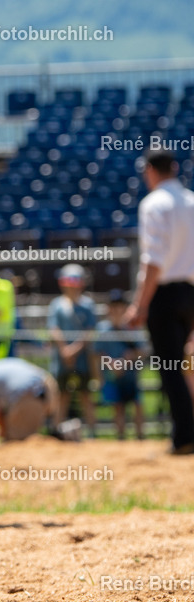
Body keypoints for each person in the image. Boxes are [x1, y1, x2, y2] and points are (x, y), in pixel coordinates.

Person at [124, 150, 194, 455]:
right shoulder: (192, 201)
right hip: (191, 292)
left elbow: (153, 261)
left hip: (164, 294)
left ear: (150, 170)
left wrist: (140, 304)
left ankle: (184, 435)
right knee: (188, 364)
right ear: (174, 168)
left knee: (171, 367)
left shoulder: (152, 204)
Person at [48, 263, 98, 437]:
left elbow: (89, 331)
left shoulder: (88, 304)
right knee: (61, 396)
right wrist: (64, 350)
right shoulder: (57, 305)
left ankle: (92, 434)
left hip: (82, 359)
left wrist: (73, 350)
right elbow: (54, 329)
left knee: (86, 395)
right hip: (61, 360)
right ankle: (56, 432)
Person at [0, 357, 62, 441]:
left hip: (27, 394)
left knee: (17, 439)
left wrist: (3, 431)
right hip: (48, 386)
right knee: (40, 429)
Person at [96, 291, 145, 440]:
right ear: (108, 308)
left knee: (137, 405)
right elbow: (97, 352)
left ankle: (140, 436)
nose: (117, 310)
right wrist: (111, 365)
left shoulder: (131, 328)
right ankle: (121, 437)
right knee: (117, 407)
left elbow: (141, 351)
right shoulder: (102, 329)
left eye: (120, 306)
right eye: (114, 306)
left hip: (131, 376)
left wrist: (127, 360)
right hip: (112, 377)